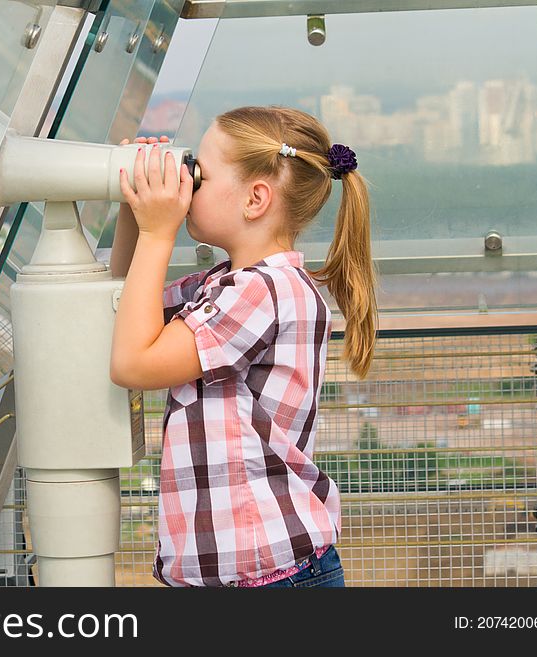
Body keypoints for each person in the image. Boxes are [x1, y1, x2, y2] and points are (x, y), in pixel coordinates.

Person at [109, 106, 378, 587]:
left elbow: (134, 362)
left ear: (255, 199)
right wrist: (135, 211)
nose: (187, 187)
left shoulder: (262, 293)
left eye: (200, 176)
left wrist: (156, 230)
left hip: (270, 578)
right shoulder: (225, 287)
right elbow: (123, 308)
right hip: (250, 575)